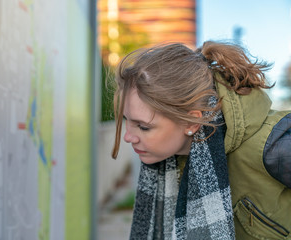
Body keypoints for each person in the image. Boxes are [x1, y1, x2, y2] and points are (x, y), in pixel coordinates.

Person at [111, 41, 291, 240]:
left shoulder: (277, 147)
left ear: (193, 122)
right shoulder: (174, 157)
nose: (128, 137)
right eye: (127, 121)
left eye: (143, 126)